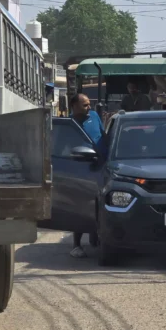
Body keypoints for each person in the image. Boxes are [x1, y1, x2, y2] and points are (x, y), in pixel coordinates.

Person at [69, 93, 105, 259]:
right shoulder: (69, 124)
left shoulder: (95, 116)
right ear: (74, 106)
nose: (89, 107)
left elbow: (104, 136)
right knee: (81, 205)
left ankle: (95, 236)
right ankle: (76, 244)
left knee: (99, 203)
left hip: (100, 166)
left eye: (89, 104)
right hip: (81, 168)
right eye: (85, 105)